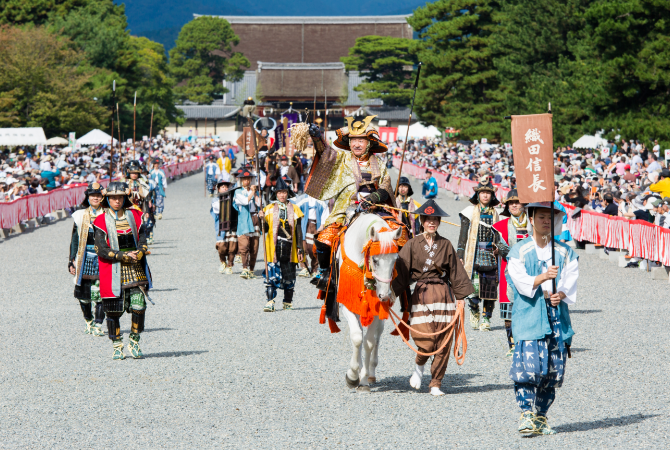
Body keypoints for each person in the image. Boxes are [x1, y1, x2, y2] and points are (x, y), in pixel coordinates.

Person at [305, 116, 402, 292]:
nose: (357, 144)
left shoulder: (379, 163)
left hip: (375, 207)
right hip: (345, 209)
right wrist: (317, 138)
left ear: (369, 143)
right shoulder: (342, 158)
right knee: (324, 239)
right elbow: (325, 153)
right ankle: (325, 273)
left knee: (400, 235)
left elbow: (386, 186)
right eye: (353, 140)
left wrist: (373, 198)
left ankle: (395, 275)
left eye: (361, 140)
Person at [507, 201, 578, 436]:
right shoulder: (520, 250)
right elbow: (519, 282)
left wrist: (561, 294)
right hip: (530, 314)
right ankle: (526, 413)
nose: (546, 221)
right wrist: (542, 278)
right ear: (531, 219)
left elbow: (570, 280)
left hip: (557, 317)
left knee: (553, 370)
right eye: (541, 217)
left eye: (550, 217)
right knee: (529, 366)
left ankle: (540, 416)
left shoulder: (565, 251)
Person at [392, 199, 474, 396]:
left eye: (435, 219)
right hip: (421, 295)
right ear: (422, 221)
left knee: (444, 339)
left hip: (443, 294)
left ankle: (436, 383)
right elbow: (401, 273)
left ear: (439, 222)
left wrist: (461, 297)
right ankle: (419, 367)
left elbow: (455, 271)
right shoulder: (412, 244)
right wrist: (390, 294)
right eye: (428, 219)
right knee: (425, 338)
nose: (431, 223)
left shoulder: (445, 244)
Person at [93, 181, 152, 360]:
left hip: (135, 268)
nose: (116, 201)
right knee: (112, 310)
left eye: (119, 197)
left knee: (139, 305)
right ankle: (117, 344)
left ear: (124, 198)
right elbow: (101, 249)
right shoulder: (100, 220)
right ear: (107, 200)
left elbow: (143, 239)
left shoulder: (135, 216)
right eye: (113, 198)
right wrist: (122, 256)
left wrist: (140, 251)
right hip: (112, 269)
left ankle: (134, 340)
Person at [457, 176, 501, 331]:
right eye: (482, 192)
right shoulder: (469, 212)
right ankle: (474, 310)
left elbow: (500, 236)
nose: (485, 195)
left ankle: (486, 318)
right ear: (477, 194)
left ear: (492, 195)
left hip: (490, 255)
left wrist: (499, 248)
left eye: (488, 192)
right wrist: (460, 255)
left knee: (490, 289)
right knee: (474, 289)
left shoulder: (497, 214)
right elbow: (462, 236)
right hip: (473, 254)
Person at [492, 189, 531, 356]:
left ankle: (528, 342)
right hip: (508, 270)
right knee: (509, 307)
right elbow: (499, 247)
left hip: (531, 271)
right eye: (511, 202)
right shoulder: (500, 226)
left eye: (517, 202)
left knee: (530, 307)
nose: (514, 205)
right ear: (507, 205)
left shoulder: (533, 224)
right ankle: (512, 344)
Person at [260, 175, 304, 312]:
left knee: (289, 276)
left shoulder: (295, 209)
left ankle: (287, 302)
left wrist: (300, 249)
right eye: (279, 192)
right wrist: (261, 219)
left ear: (288, 193)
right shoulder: (268, 209)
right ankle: (270, 302)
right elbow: (265, 230)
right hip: (273, 248)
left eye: (284, 192)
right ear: (276, 194)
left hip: (290, 247)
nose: (282, 195)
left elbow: (298, 230)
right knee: (272, 275)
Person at [68, 182, 106, 336]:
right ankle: (88, 320)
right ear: (88, 197)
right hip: (84, 256)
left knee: (102, 292)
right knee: (83, 294)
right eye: (92, 195)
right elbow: (75, 239)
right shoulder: (80, 215)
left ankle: (98, 324)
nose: (95, 198)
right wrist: (71, 260)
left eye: (98, 195)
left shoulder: (108, 214)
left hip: (103, 257)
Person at [233, 166, 262, 279]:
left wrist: (255, 193)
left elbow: (260, 204)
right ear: (241, 180)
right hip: (244, 220)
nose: (247, 181)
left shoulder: (256, 192)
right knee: (244, 245)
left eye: (249, 179)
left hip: (255, 219)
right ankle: (244, 267)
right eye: (244, 179)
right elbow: (245, 201)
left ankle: (251, 269)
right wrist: (252, 192)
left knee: (254, 246)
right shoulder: (238, 192)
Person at [293, 193, 329, 277]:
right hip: (303, 224)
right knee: (303, 245)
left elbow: (325, 214)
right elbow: (295, 210)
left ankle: (314, 269)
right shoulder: (302, 199)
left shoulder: (322, 200)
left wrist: (321, 226)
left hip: (316, 225)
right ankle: (304, 267)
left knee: (315, 247)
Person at [211, 180, 239, 274]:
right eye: (222, 187)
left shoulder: (233, 198)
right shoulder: (215, 200)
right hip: (221, 227)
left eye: (226, 187)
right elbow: (218, 209)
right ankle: (223, 261)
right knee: (221, 246)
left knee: (232, 246)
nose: (225, 188)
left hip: (232, 225)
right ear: (218, 189)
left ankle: (230, 265)